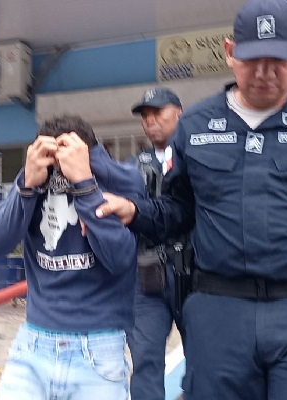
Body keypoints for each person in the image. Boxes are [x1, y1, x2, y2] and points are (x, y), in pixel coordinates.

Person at [95, 0, 287, 398]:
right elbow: (180, 211)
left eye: (278, 58)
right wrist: (136, 211)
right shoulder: (193, 129)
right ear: (230, 53)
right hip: (219, 317)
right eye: (251, 58)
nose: (264, 71)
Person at [0, 115, 145, 400]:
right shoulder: (34, 178)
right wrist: (26, 186)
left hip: (97, 349)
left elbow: (120, 259)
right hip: (33, 343)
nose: (58, 173)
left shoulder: (121, 179)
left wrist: (85, 185)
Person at [127, 87, 185, 400]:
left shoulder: (198, 158)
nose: (151, 121)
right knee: (146, 360)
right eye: (145, 116)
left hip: (194, 275)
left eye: (158, 113)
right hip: (147, 276)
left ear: (179, 112)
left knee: (208, 358)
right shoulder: (132, 167)